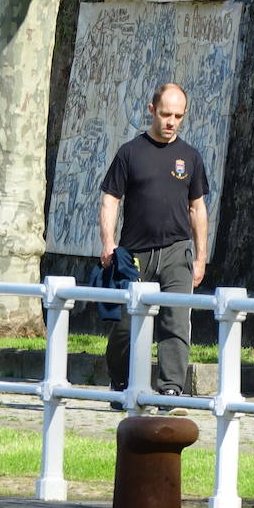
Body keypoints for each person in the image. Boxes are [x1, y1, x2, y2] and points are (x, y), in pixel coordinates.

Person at [100, 83, 209, 406]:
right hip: (135, 253)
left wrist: (201, 257)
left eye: (178, 116)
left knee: (176, 318)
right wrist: (109, 242)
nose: (171, 121)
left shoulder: (190, 157)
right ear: (152, 110)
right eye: (165, 114)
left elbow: (197, 207)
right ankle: (121, 382)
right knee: (126, 324)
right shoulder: (130, 153)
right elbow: (110, 199)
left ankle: (171, 388)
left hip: (178, 250)